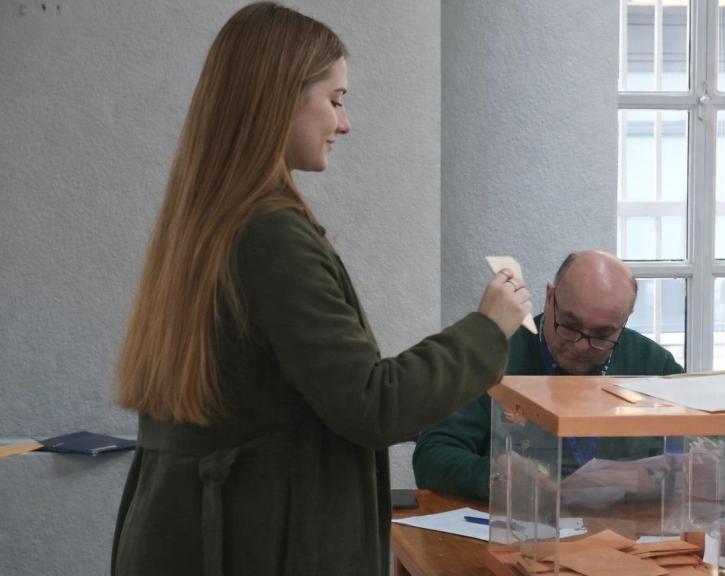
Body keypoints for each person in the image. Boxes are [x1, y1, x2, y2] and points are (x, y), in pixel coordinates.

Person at [110, 4, 531, 575]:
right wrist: (486, 329)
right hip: (254, 547)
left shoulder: (209, 221)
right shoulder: (270, 234)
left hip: (199, 536)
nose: (344, 122)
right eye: (335, 99)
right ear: (280, 97)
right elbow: (371, 404)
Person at [413, 250, 683, 500]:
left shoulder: (654, 366)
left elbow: (699, 455)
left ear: (625, 320)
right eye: (570, 325)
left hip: (624, 538)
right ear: (549, 298)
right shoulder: (494, 358)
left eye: (602, 335)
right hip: (515, 534)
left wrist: (661, 477)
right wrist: (495, 476)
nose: (580, 345)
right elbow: (432, 455)